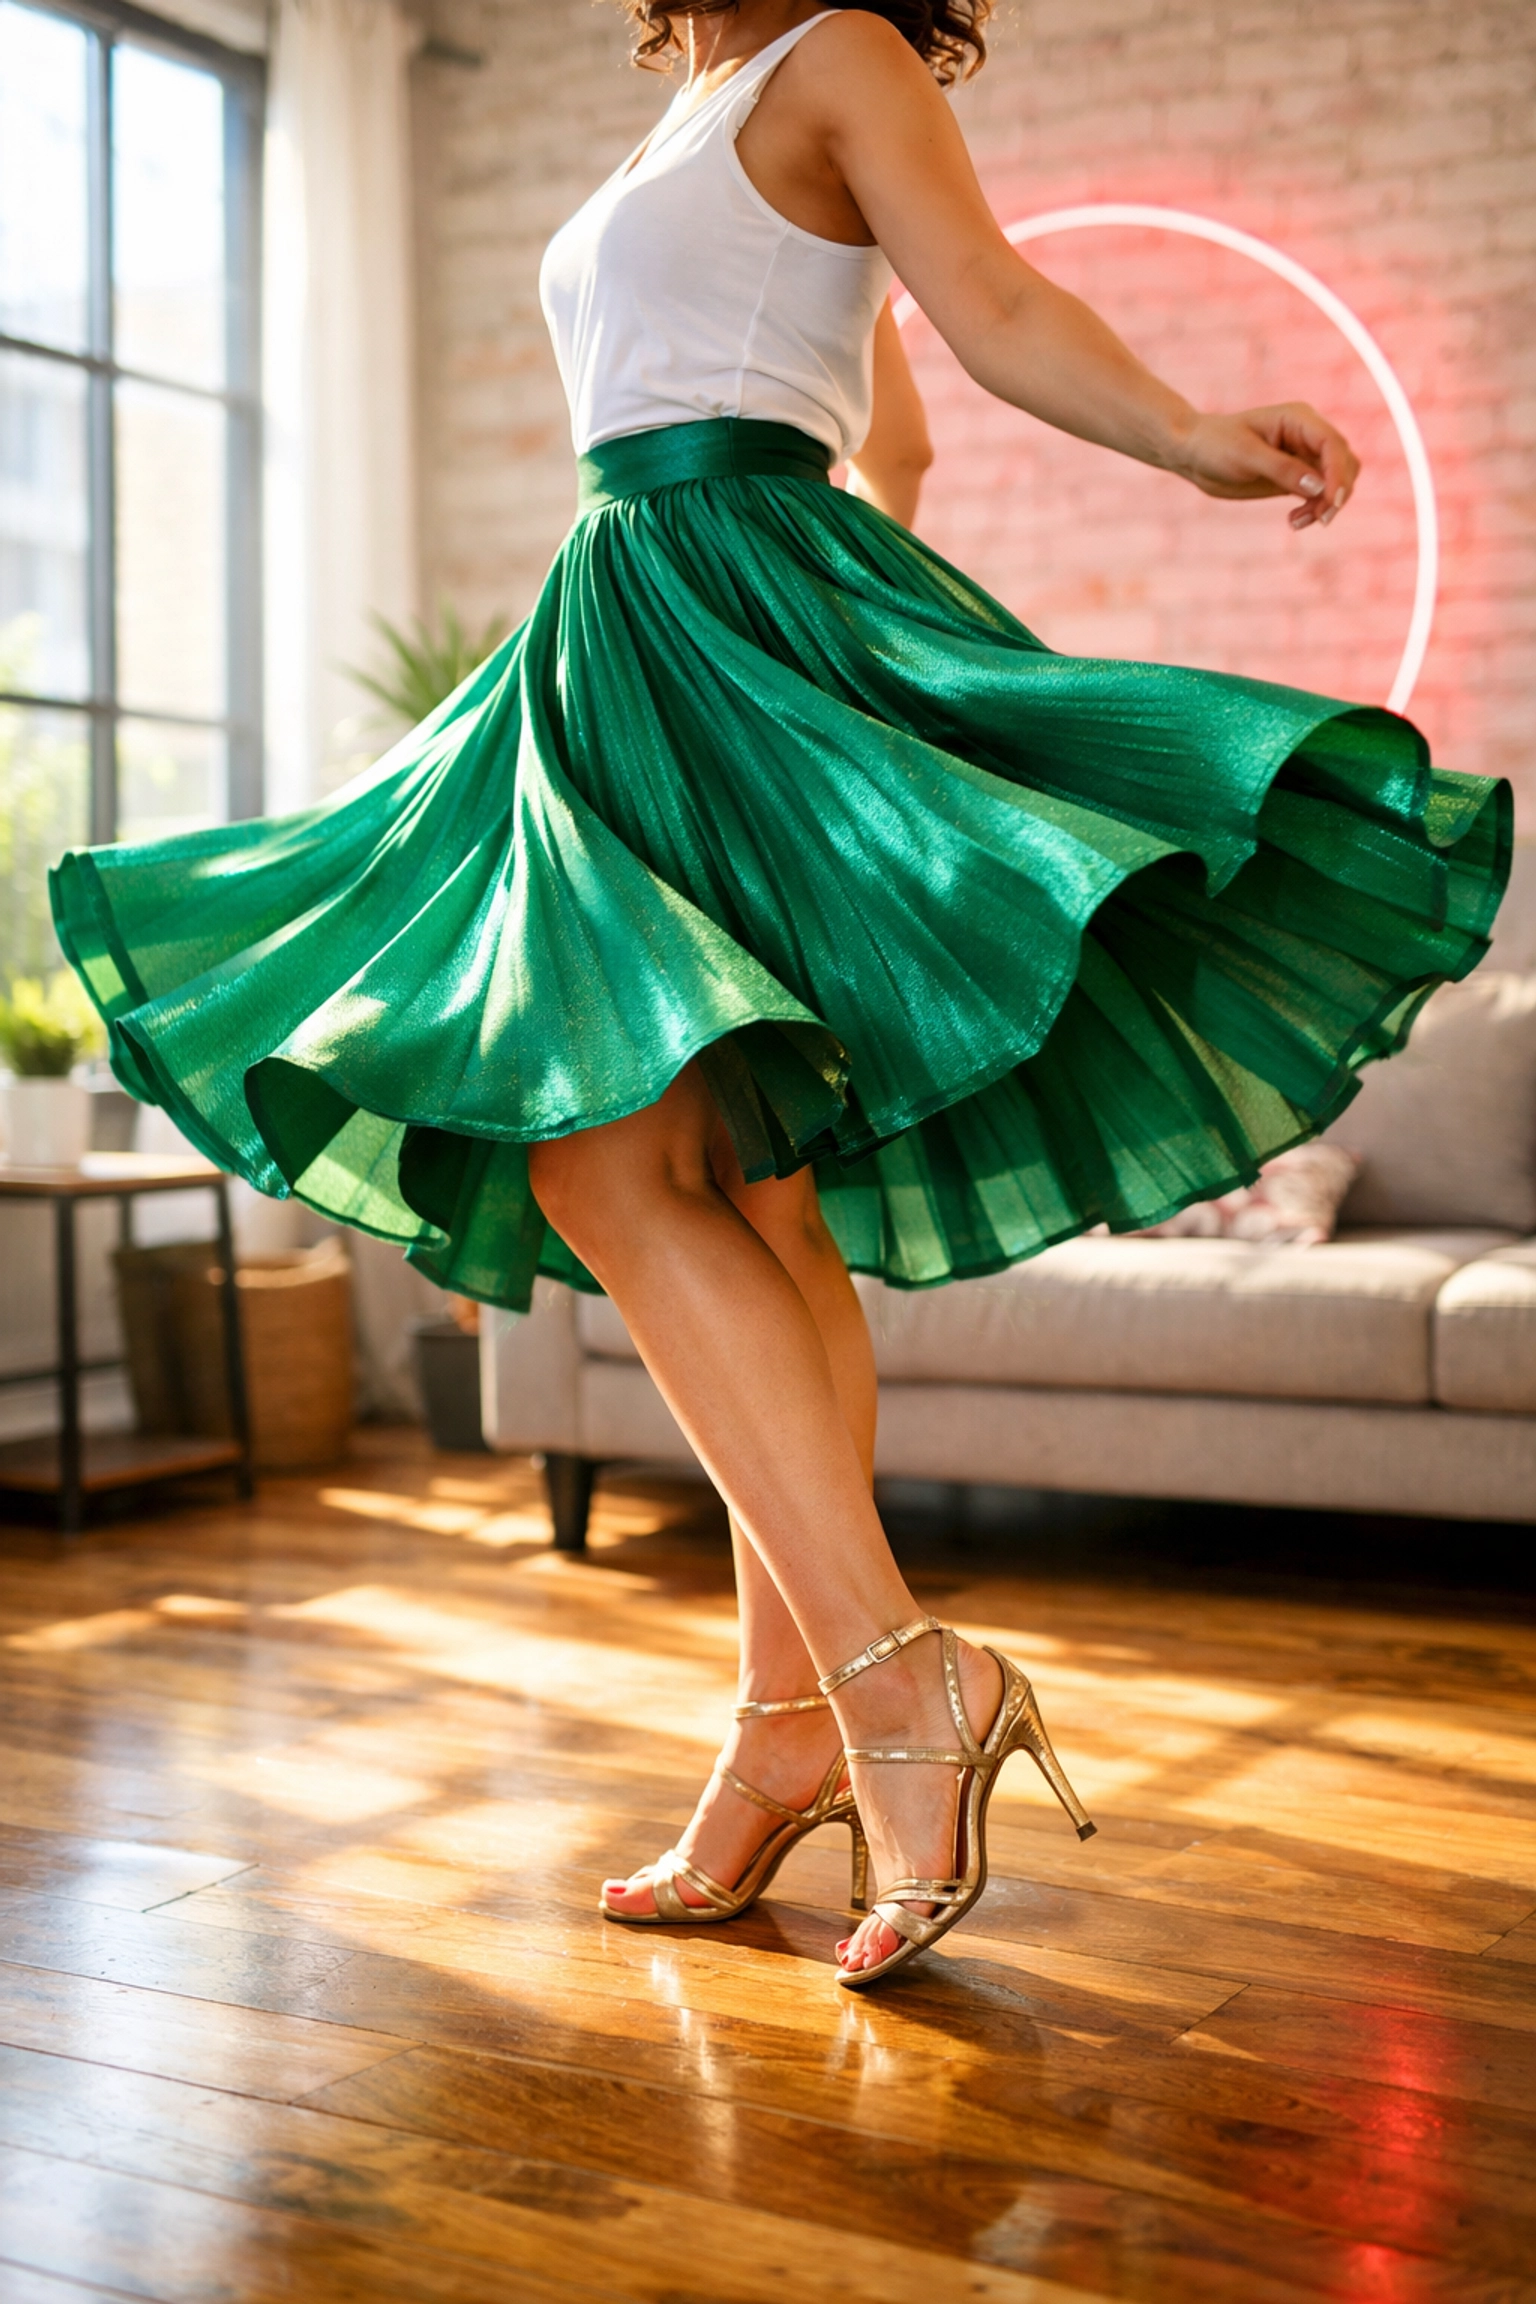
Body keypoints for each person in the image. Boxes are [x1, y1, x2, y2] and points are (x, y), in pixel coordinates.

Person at [54, 0, 1508, 1990]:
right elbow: (886, 423)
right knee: (718, 1184)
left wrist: (1172, 441)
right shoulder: (694, 110)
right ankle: (792, 1727)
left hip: (719, 611)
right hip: (634, 627)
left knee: (610, 1170)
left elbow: (980, 310)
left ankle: (895, 1687)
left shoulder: (844, 53)